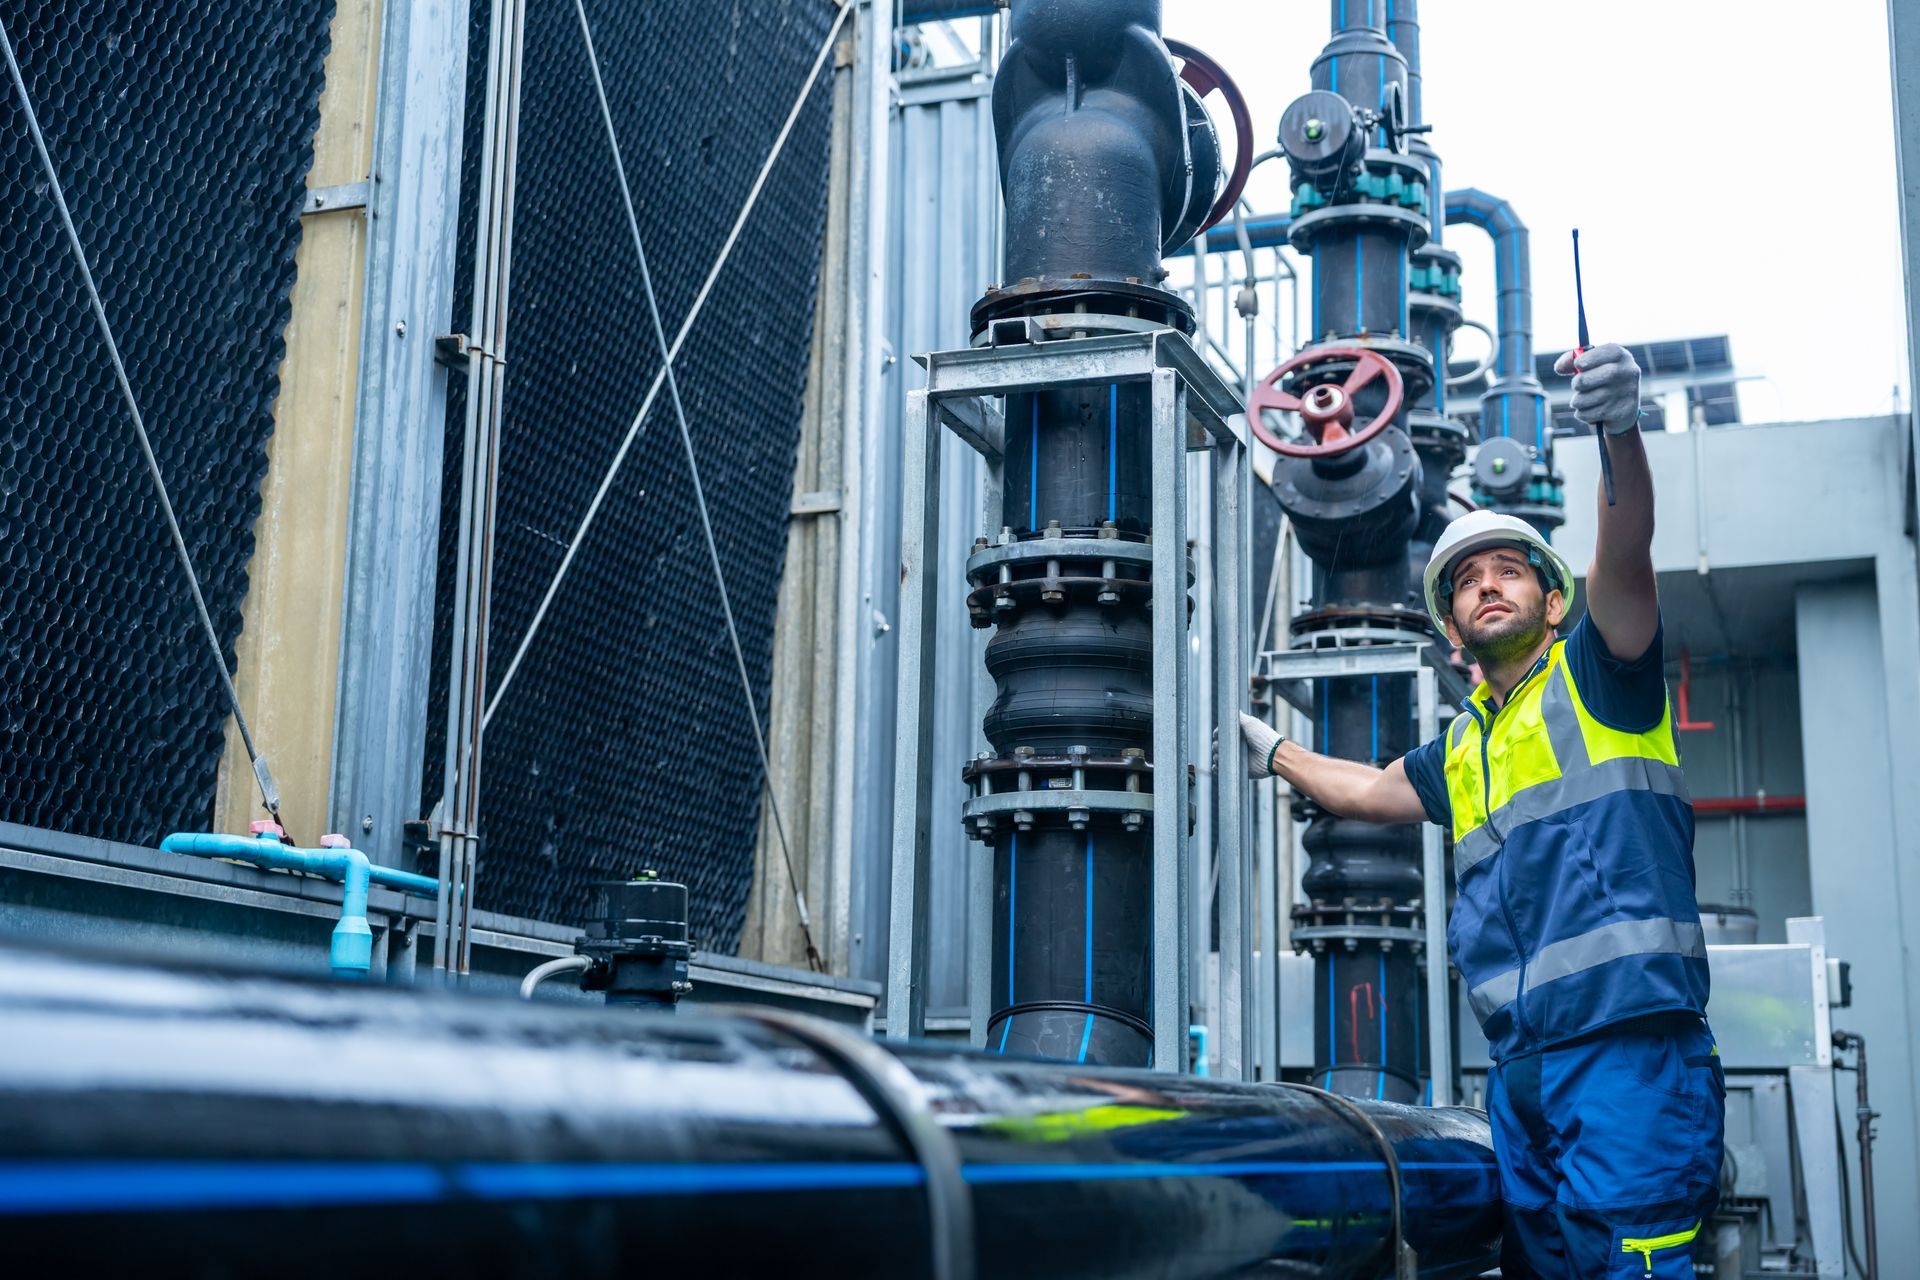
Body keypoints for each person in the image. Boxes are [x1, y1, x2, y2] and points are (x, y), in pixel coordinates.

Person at [1236, 344, 1723, 1278]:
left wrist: (1618, 429)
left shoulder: (1600, 679)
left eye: (1509, 571)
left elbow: (1627, 552)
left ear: (1551, 602)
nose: (1487, 584)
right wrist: (1274, 752)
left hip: (1628, 1054)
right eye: (1466, 580)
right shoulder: (1464, 748)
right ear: (1454, 632)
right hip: (1522, 1073)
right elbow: (1370, 790)